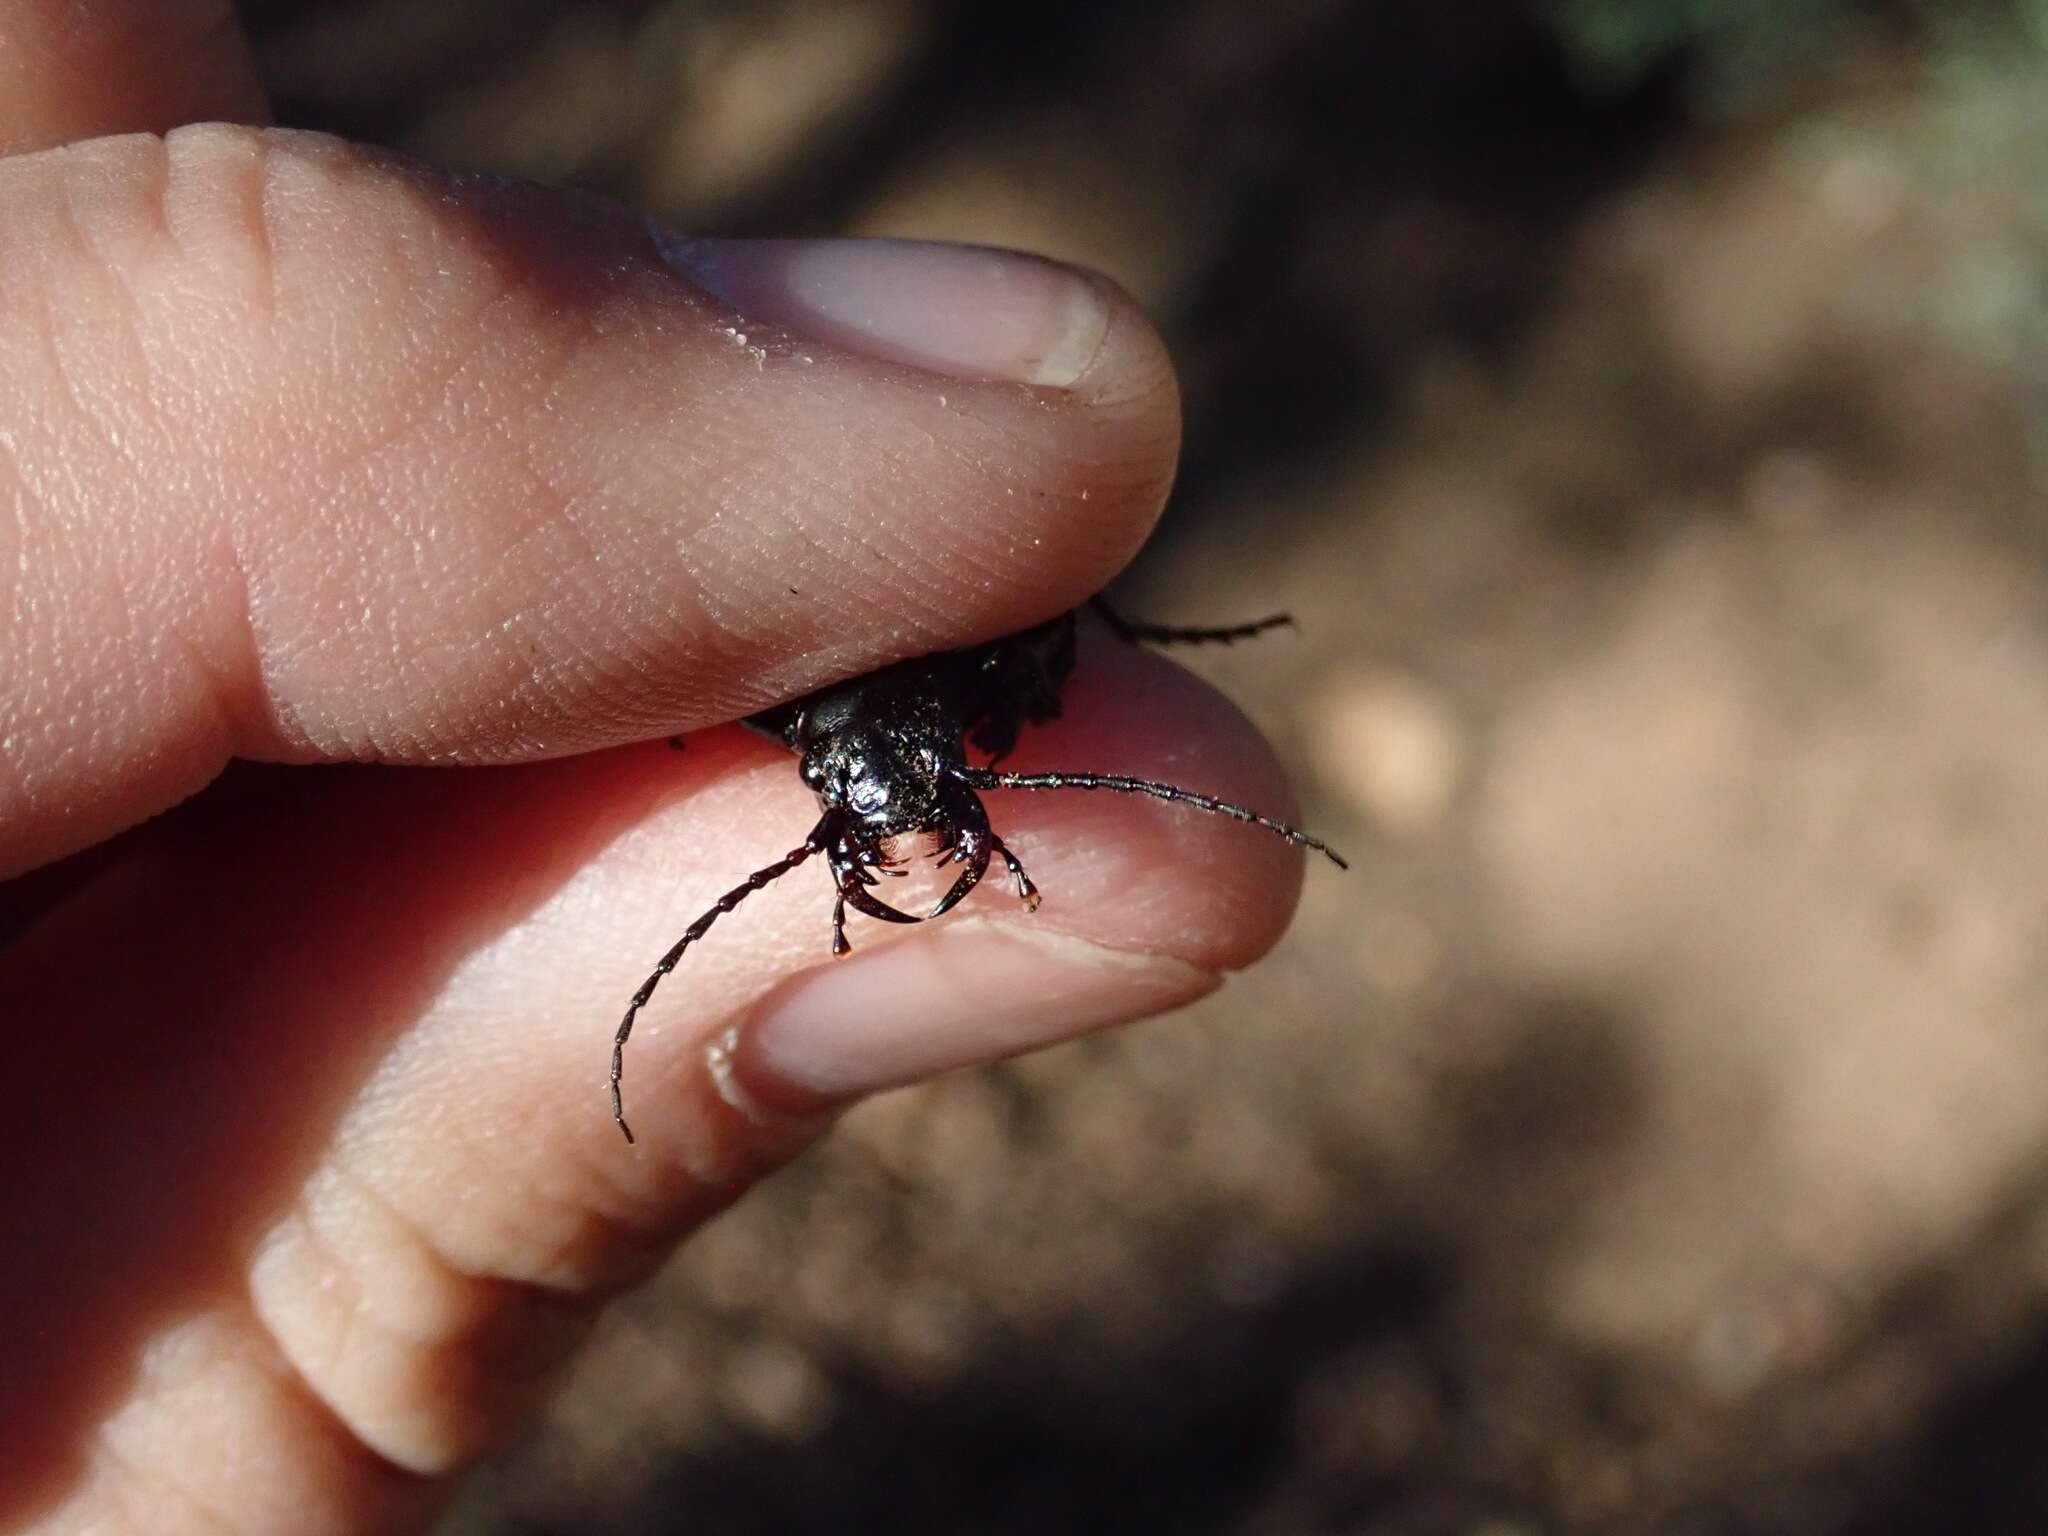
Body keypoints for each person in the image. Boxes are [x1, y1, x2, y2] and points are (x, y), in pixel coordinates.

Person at [0, 6, 1311, 1530]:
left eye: (892, 805)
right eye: (866, 805)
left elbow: (1025, 618)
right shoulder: (821, 677)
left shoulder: (896, 670)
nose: (894, 833)